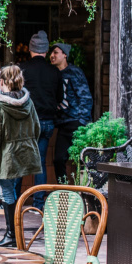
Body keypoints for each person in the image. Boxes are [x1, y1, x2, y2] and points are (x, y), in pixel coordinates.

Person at [0, 65, 41, 247]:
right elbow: (37, 127)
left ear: (1, 82)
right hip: (25, 152)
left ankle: (11, 234)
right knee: (14, 191)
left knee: (7, 192)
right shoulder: (28, 102)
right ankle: (15, 233)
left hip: (7, 156)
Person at [19, 31, 63, 208]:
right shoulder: (54, 72)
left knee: (21, 161)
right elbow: (59, 97)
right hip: (47, 122)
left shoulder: (23, 70)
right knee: (40, 163)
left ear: (30, 49)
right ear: (45, 51)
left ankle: (15, 202)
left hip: (28, 121)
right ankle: (38, 204)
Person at [51, 42, 92, 183]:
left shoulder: (74, 72)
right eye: (51, 53)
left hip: (77, 123)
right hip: (63, 124)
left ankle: (83, 191)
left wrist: (82, 121)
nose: (52, 55)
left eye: (56, 52)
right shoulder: (53, 74)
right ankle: (64, 189)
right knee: (58, 159)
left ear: (65, 55)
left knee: (82, 160)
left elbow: (85, 97)